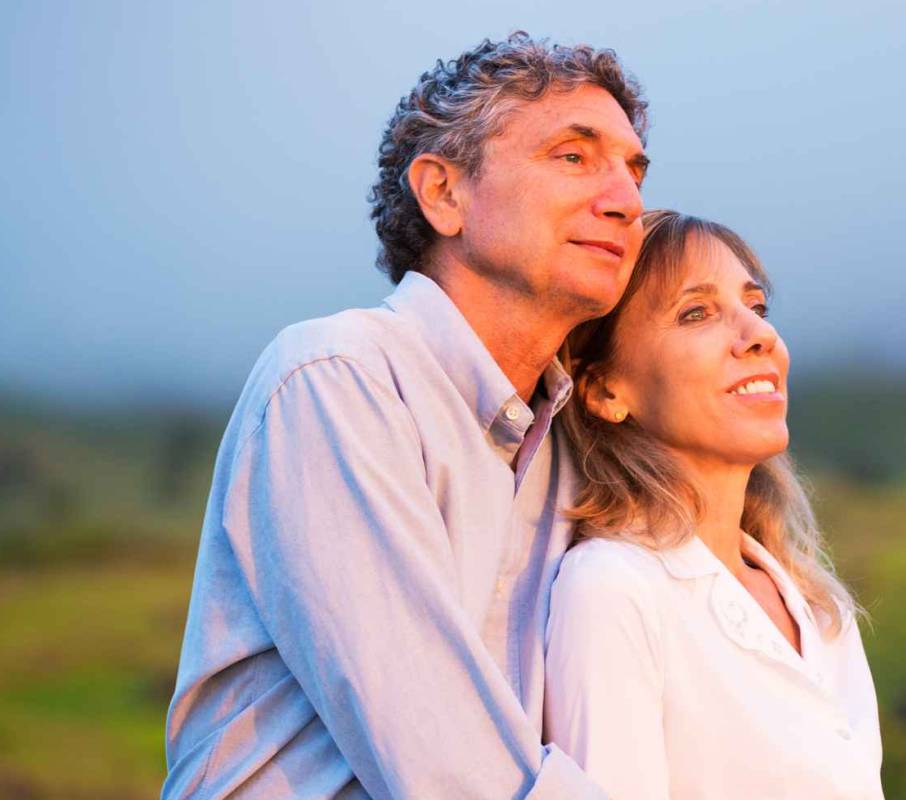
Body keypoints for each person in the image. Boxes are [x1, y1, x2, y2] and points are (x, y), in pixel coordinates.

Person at [162, 33, 648, 798]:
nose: (625, 199)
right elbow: (451, 765)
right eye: (573, 156)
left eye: (633, 168)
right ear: (444, 193)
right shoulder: (338, 380)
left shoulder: (570, 443)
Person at [543, 210, 883, 799]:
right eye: (695, 313)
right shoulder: (612, 589)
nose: (758, 335)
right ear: (604, 390)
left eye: (756, 307)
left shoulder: (818, 606)